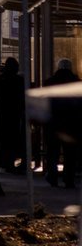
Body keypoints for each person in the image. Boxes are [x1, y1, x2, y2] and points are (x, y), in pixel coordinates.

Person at [43, 58, 80, 187]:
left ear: (58, 67)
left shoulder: (48, 83)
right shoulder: (77, 83)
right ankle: (68, 179)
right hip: (72, 124)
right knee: (70, 153)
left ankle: (52, 177)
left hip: (53, 123)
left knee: (53, 151)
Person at [0, 56, 27, 173]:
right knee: (14, 139)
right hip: (15, 114)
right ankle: (11, 163)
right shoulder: (20, 81)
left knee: (2, 139)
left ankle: (3, 162)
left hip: (2, 114)